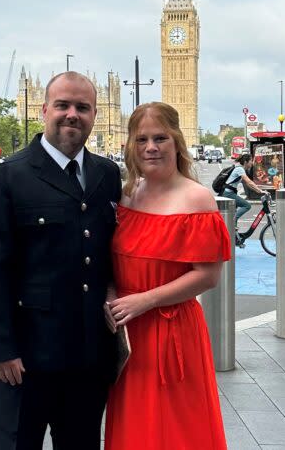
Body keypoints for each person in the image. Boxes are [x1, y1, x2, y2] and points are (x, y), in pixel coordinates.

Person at [0, 72, 122, 450]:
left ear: (95, 114)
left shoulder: (107, 174)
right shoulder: (6, 177)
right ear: (44, 110)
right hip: (26, 361)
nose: (72, 115)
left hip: (87, 358)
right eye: (63, 105)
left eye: (82, 108)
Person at [105, 102, 229, 450]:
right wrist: (112, 294)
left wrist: (147, 300)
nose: (150, 147)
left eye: (160, 137)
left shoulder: (197, 198)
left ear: (177, 141)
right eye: (141, 138)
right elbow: (112, 261)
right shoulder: (127, 194)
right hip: (128, 332)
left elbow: (208, 276)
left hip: (172, 330)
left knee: (178, 428)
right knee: (136, 429)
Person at [220, 153, 268, 228]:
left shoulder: (240, 169)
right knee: (246, 205)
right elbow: (249, 181)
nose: (252, 163)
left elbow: (248, 184)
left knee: (235, 212)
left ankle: (234, 232)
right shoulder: (240, 169)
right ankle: (233, 220)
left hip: (230, 193)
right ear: (246, 162)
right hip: (228, 194)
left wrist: (258, 191)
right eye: (251, 161)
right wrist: (260, 191)